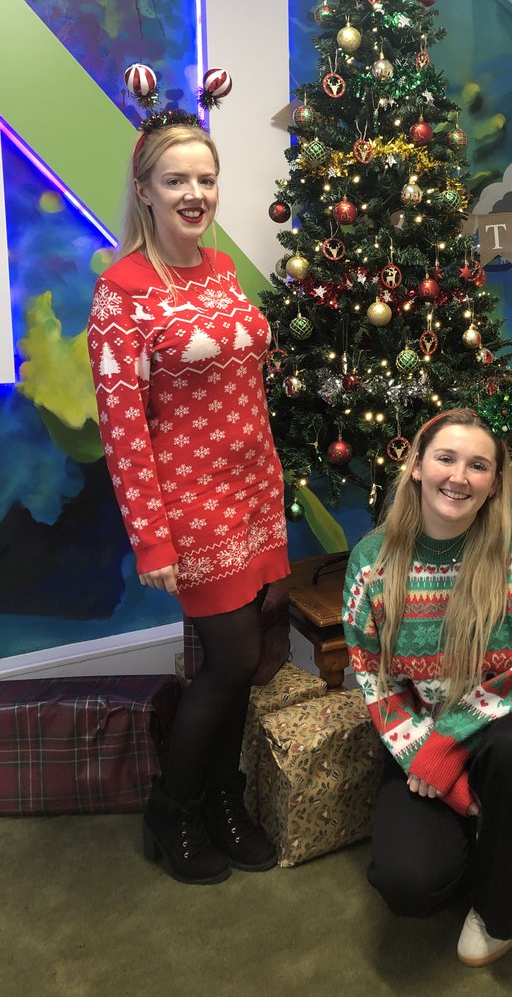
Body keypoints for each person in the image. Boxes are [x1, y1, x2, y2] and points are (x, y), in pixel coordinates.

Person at [87, 113, 289, 884]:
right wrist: (152, 538)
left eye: (205, 179)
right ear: (145, 191)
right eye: (176, 180)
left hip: (253, 492)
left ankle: (224, 800)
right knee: (232, 659)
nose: (194, 193)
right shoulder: (123, 293)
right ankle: (171, 808)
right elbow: (123, 431)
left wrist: (267, 487)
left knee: (244, 661)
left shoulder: (222, 269)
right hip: (191, 504)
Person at [342, 408, 512, 967]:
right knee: (407, 884)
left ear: (495, 482)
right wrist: (441, 774)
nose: (459, 476)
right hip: (424, 732)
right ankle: (495, 831)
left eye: (478, 465)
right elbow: (377, 683)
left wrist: (447, 743)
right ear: (416, 466)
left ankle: (502, 895)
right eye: (446, 458)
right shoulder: (372, 561)